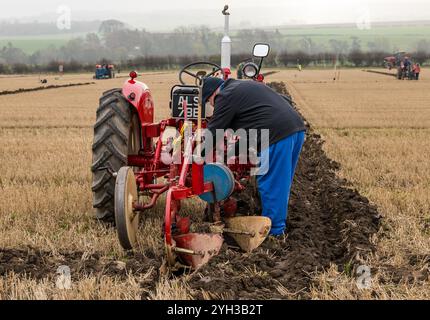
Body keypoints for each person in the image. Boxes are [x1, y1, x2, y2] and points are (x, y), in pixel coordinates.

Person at [202, 77, 307, 237]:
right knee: (281, 183)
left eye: (210, 102)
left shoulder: (224, 95)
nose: (212, 105)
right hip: (295, 130)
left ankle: (274, 233)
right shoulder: (242, 87)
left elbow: (214, 131)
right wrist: (229, 153)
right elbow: (251, 133)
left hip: (276, 135)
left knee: (269, 183)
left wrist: (196, 156)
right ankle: (277, 224)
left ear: (213, 93)